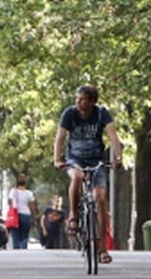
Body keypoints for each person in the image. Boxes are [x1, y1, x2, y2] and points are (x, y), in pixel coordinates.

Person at [53, 84, 124, 263]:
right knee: (77, 176)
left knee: (100, 199)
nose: (78, 102)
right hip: (74, 158)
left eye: (82, 99)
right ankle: (74, 215)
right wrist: (57, 159)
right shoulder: (69, 114)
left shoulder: (101, 113)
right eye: (77, 98)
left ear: (92, 101)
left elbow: (113, 135)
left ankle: (102, 249)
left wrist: (118, 156)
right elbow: (60, 138)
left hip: (96, 160)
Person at [7, 176, 38, 249]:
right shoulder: (29, 193)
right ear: (25, 183)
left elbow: (9, 202)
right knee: (25, 235)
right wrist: (34, 217)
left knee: (15, 236)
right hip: (26, 215)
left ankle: (16, 250)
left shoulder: (13, 191)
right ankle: (23, 249)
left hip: (15, 215)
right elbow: (32, 206)